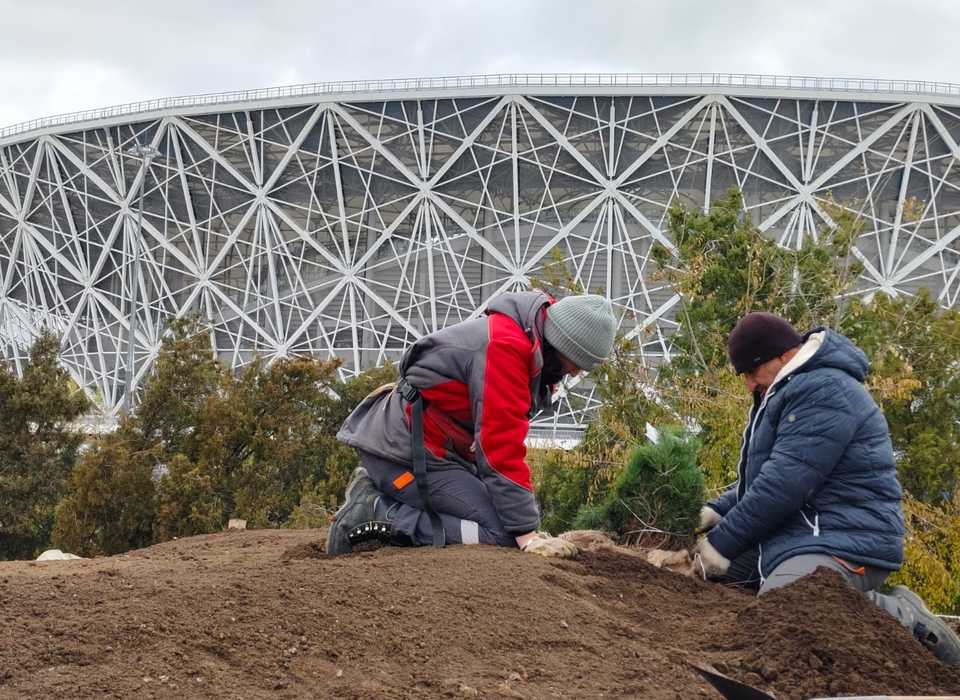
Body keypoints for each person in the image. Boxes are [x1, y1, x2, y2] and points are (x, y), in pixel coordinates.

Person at [691, 311, 960, 666]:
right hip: (800, 534)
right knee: (714, 578)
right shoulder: (786, 391)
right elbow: (767, 477)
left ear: (783, 356)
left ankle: (907, 618)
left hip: (845, 538)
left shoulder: (824, 389)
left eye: (752, 372)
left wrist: (721, 544)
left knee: (792, 600)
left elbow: (786, 483)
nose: (749, 384)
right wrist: (718, 510)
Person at [326, 291, 616, 559]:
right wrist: (528, 535)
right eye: (575, 363)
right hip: (402, 455)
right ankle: (377, 511)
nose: (575, 372)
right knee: (502, 535)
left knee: (509, 522)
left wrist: (524, 525)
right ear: (560, 343)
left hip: (433, 451)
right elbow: (499, 447)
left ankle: (392, 506)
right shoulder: (505, 348)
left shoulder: (527, 340)